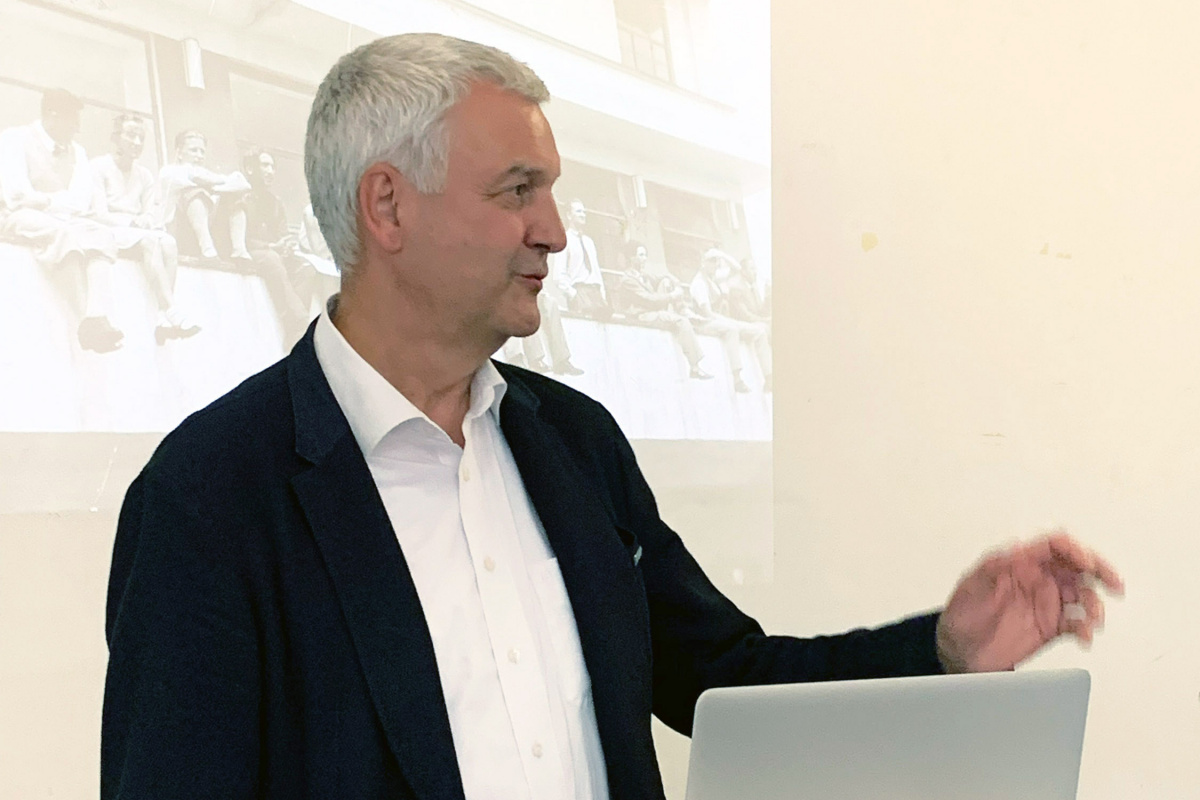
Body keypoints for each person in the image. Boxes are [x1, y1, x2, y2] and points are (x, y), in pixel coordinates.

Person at [102, 33, 1123, 800]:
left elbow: (723, 678)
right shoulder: (211, 496)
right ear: (388, 207)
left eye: (549, 192)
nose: (553, 230)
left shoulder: (574, 443)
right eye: (518, 190)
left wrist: (942, 648)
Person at [0, 88, 124, 353]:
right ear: (52, 115)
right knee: (64, 234)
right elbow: (17, 195)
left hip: (61, 217)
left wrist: (45, 201)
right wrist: (57, 202)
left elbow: (81, 201)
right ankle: (85, 320)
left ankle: (96, 315)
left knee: (101, 234)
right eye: (73, 121)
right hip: (17, 217)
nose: (77, 129)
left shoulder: (78, 152)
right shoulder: (14, 139)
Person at [92, 113, 200, 344]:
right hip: (110, 229)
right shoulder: (98, 167)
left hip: (136, 231)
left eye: (141, 138)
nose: (137, 142)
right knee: (150, 241)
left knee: (169, 242)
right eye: (131, 135)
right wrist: (131, 222)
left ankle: (162, 319)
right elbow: (98, 213)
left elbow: (151, 212)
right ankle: (171, 309)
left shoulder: (144, 175)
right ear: (116, 137)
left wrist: (145, 220)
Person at [227, 148, 314, 346]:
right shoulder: (239, 197)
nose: (270, 171)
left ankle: (294, 328)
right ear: (250, 168)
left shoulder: (275, 202)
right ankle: (298, 319)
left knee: (306, 268)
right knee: (271, 258)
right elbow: (237, 238)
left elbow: (283, 233)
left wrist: (286, 245)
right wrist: (271, 246)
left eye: (273, 166)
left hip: (273, 253)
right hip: (251, 253)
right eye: (265, 165)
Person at [614, 242, 712, 379]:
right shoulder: (628, 280)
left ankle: (683, 309)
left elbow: (665, 277)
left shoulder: (643, 275)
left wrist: (674, 283)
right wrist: (672, 295)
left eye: (645, 255)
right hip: (640, 315)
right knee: (682, 321)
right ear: (631, 258)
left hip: (651, 312)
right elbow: (649, 299)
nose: (645, 258)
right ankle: (695, 367)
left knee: (666, 281)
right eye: (641, 255)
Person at [690, 247, 773, 393]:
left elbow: (737, 269)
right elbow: (707, 313)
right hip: (704, 322)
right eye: (712, 261)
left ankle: (769, 378)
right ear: (703, 262)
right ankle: (737, 379)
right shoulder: (699, 283)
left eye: (716, 261)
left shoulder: (713, 279)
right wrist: (728, 321)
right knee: (732, 328)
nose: (715, 265)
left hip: (719, 320)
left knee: (759, 331)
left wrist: (720, 254)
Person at [157, 129, 249, 260]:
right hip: (176, 237)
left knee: (233, 197)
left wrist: (216, 184)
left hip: (205, 235)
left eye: (202, 152)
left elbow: (244, 184)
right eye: (193, 150)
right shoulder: (169, 172)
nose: (199, 156)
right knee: (194, 194)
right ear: (179, 153)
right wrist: (222, 182)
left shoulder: (207, 174)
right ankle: (207, 250)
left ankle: (239, 251)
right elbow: (196, 177)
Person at [551, 197, 611, 319]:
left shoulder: (589, 242)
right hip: (579, 291)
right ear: (569, 215)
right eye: (578, 211)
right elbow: (558, 275)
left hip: (596, 293)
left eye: (584, 212)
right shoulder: (564, 240)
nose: (583, 215)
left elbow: (596, 271)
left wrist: (602, 295)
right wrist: (573, 294)